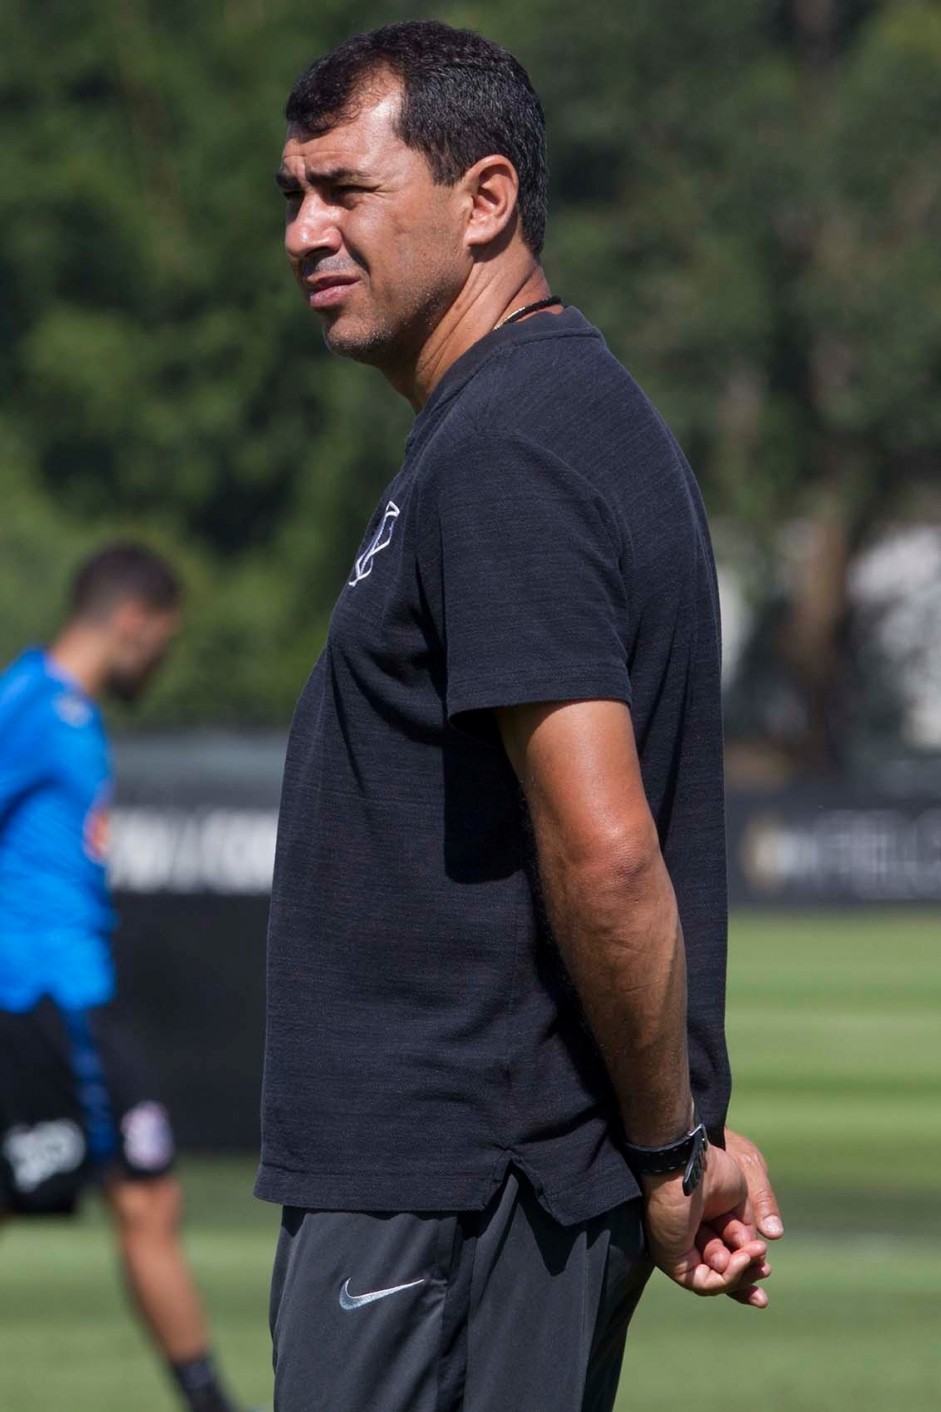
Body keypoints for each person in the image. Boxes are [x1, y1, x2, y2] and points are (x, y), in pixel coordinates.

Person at [258, 20, 784, 1411]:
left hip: (447, 1188)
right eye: (292, 196)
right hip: (458, 1182)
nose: (306, 232)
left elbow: (605, 850)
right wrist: (679, 1124)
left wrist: (673, 1149)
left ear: (484, 199)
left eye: (345, 191)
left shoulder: (510, 448)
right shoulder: (530, 419)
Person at [0, 543, 251, 1412]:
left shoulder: (71, 713)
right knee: (145, 1198)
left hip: (67, 997)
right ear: (133, 622)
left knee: (144, 1201)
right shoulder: (33, 706)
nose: (162, 658)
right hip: (47, 998)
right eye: (164, 639)